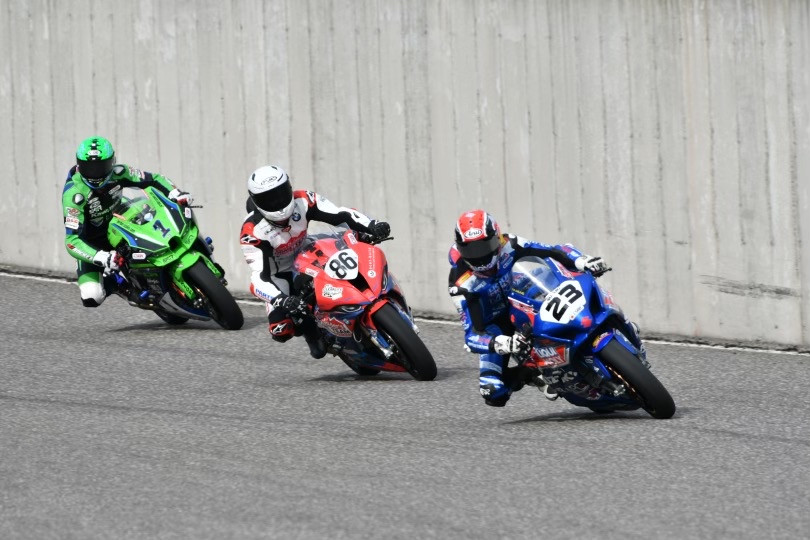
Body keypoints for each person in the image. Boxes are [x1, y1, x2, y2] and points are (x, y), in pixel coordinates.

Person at [448, 209, 630, 407]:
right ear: (460, 249)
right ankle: (533, 372)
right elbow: (472, 334)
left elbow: (553, 250)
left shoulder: (510, 243)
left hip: (526, 295)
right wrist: (500, 343)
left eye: (484, 246)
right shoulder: (461, 285)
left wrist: (582, 261)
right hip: (498, 326)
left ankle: (613, 322)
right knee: (493, 391)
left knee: (565, 277)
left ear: (496, 238)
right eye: (471, 250)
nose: (480, 256)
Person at [239, 164, 391, 359]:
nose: (277, 202)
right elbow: (259, 278)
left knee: (356, 239)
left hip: (308, 249)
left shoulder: (303, 200)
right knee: (280, 330)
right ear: (256, 201)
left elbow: (340, 214)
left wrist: (372, 225)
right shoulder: (252, 232)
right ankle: (314, 334)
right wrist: (281, 299)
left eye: (280, 193)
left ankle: (373, 291)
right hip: (280, 272)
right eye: (269, 199)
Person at [62, 136, 198, 307]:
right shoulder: (74, 195)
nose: (95, 173)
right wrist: (100, 257)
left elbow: (154, 179)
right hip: (93, 243)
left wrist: (176, 193)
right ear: (79, 165)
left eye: (100, 167)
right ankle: (123, 286)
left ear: (112, 162)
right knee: (92, 297)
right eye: (90, 168)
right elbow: (72, 241)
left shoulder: (120, 172)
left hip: (121, 222)